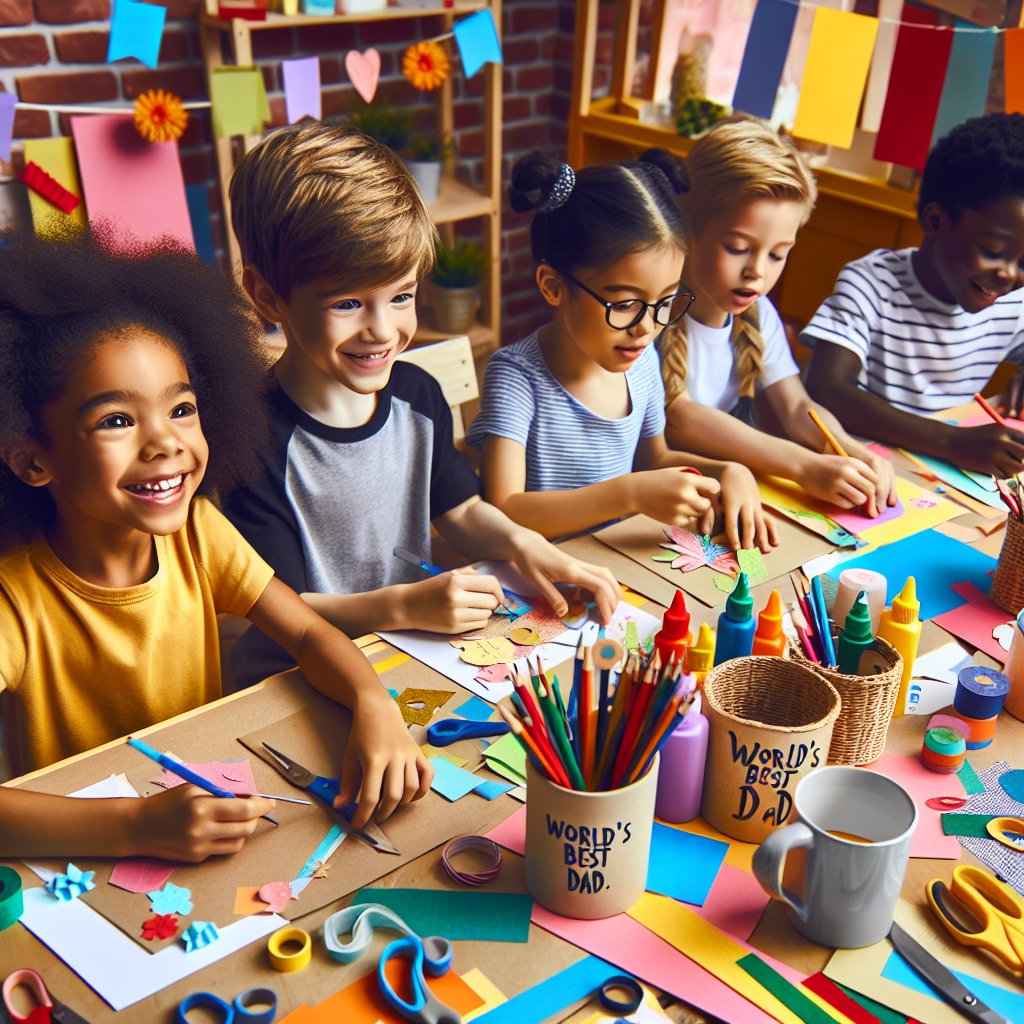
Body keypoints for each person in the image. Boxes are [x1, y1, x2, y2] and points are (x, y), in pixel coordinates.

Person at [0, 230, 429, 860]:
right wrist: (136, 826)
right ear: (34, 460)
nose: (165, 443)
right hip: (87, 861)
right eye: (116, 420)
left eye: (181, 409)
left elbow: (308, 634)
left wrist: (373, 701)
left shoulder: (200, 535)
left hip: (212, 820)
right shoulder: (15, 598)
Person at [224, 122, 619, 689]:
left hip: (398, 657)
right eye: (349, 303)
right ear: (268, 296)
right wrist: (405, 606)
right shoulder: (251, 439)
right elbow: (280, 609)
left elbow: (459, 512)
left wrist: (528, 547)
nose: (382, 330)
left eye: (402, 296)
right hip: (289, 683)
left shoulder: (416, 394)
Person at [466, 147, 778, 551]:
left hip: (616, 566)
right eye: (625, 304)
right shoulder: (517, 377)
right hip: (538, 577)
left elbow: (655, 460)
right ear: (553, 286)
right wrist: (629, 494)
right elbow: (504, 510)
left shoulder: (644, 361)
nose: (647, 327)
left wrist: (728, 471)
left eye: (665, 301)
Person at [659, 118, 895, 517]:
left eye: (777, 254)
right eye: (737, 247)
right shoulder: (651, 311)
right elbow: (680, 419)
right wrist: (804, 466)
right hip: (662, 501)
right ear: (684, 226)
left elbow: (794, 405)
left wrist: (845, 448)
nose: (758, 272)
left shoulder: (758, 313)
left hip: (727, 497)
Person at [804, 112, 1024, 478]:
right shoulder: (872, 284)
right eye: (992, 249)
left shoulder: (1014, 301)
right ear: (936, 221)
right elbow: (827, 388)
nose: (1009, 275)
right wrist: (950, 442)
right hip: (865, 471)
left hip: (950, 486)